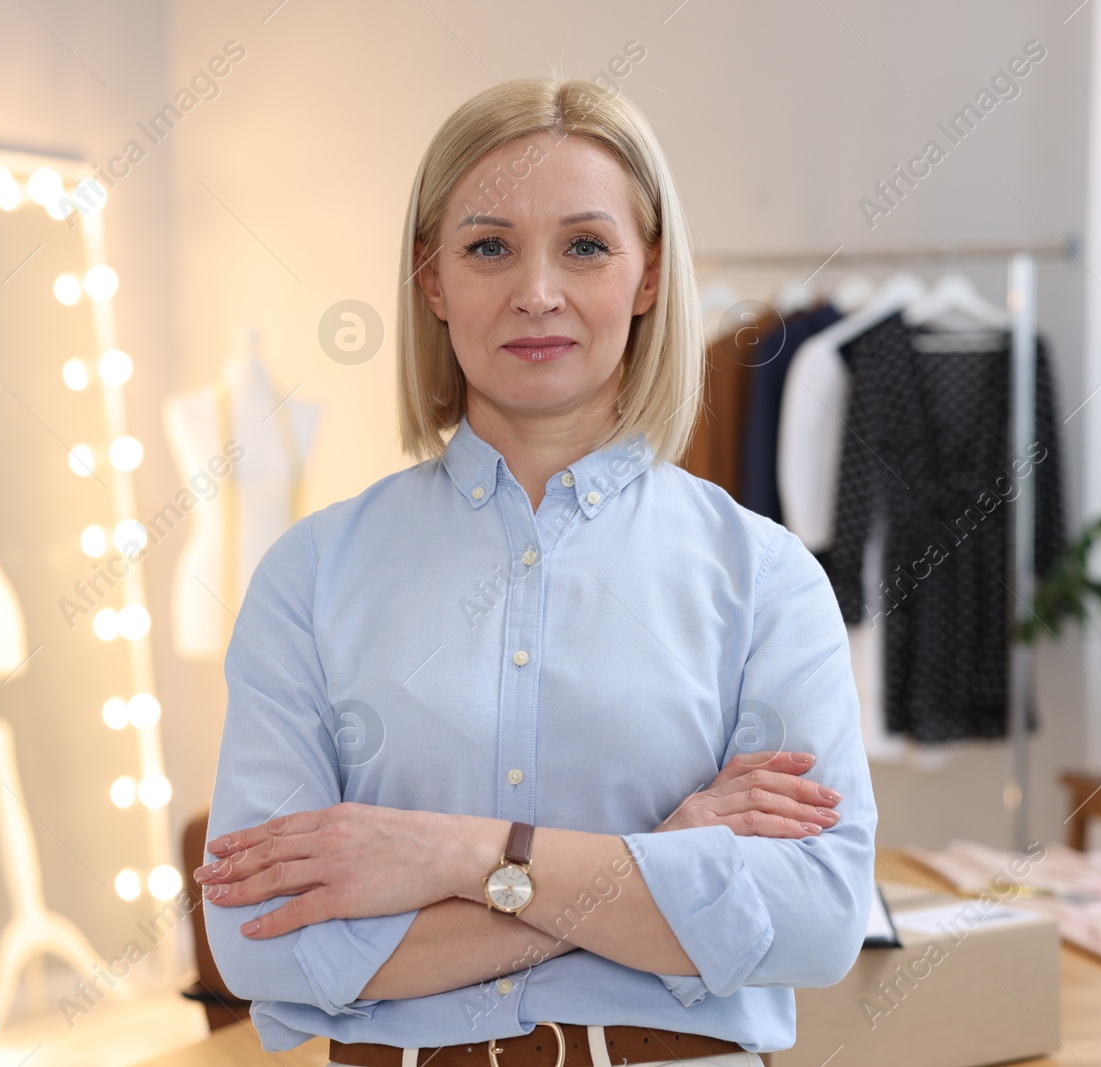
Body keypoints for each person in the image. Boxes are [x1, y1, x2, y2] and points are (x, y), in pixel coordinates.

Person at [195, 75, 877, 1067]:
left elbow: (815, 920)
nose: (537, 291)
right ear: (431, 276)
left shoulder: (764, 577)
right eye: (488, 246)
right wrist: (660, 863)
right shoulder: (310, 574)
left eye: (586, 245)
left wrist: (454, 857)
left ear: (647, 275)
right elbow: (264, 941)